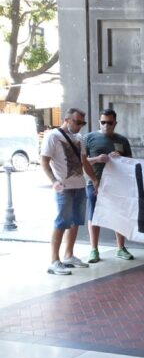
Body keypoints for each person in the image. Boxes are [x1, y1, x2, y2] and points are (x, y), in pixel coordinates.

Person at [40, 108, 98, 275]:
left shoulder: (80, 138)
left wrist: (94, 180)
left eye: (83, 123)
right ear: (67, 119)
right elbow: (44, 161)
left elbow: (84, 162)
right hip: (64, 187)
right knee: (61, 222)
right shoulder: (53, 136)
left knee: (75, 222)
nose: (80, 126)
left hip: (79, 185)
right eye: (77, 122)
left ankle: (69, 255)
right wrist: (54, 181)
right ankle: (54, 261)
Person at [83, 108, 134, 263]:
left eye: (109, 123)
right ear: (99, 122)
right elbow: (82, 161)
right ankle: (94, 249)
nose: (106, 125)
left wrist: (120, 158)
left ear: (115, 123)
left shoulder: (122, 140)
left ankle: (121, 248)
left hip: (118, 184)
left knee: (119, 214)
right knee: (94, 215)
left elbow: (131, 162)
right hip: (95, 182)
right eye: (103, 122)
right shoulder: (89, 138)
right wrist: (97, 159)